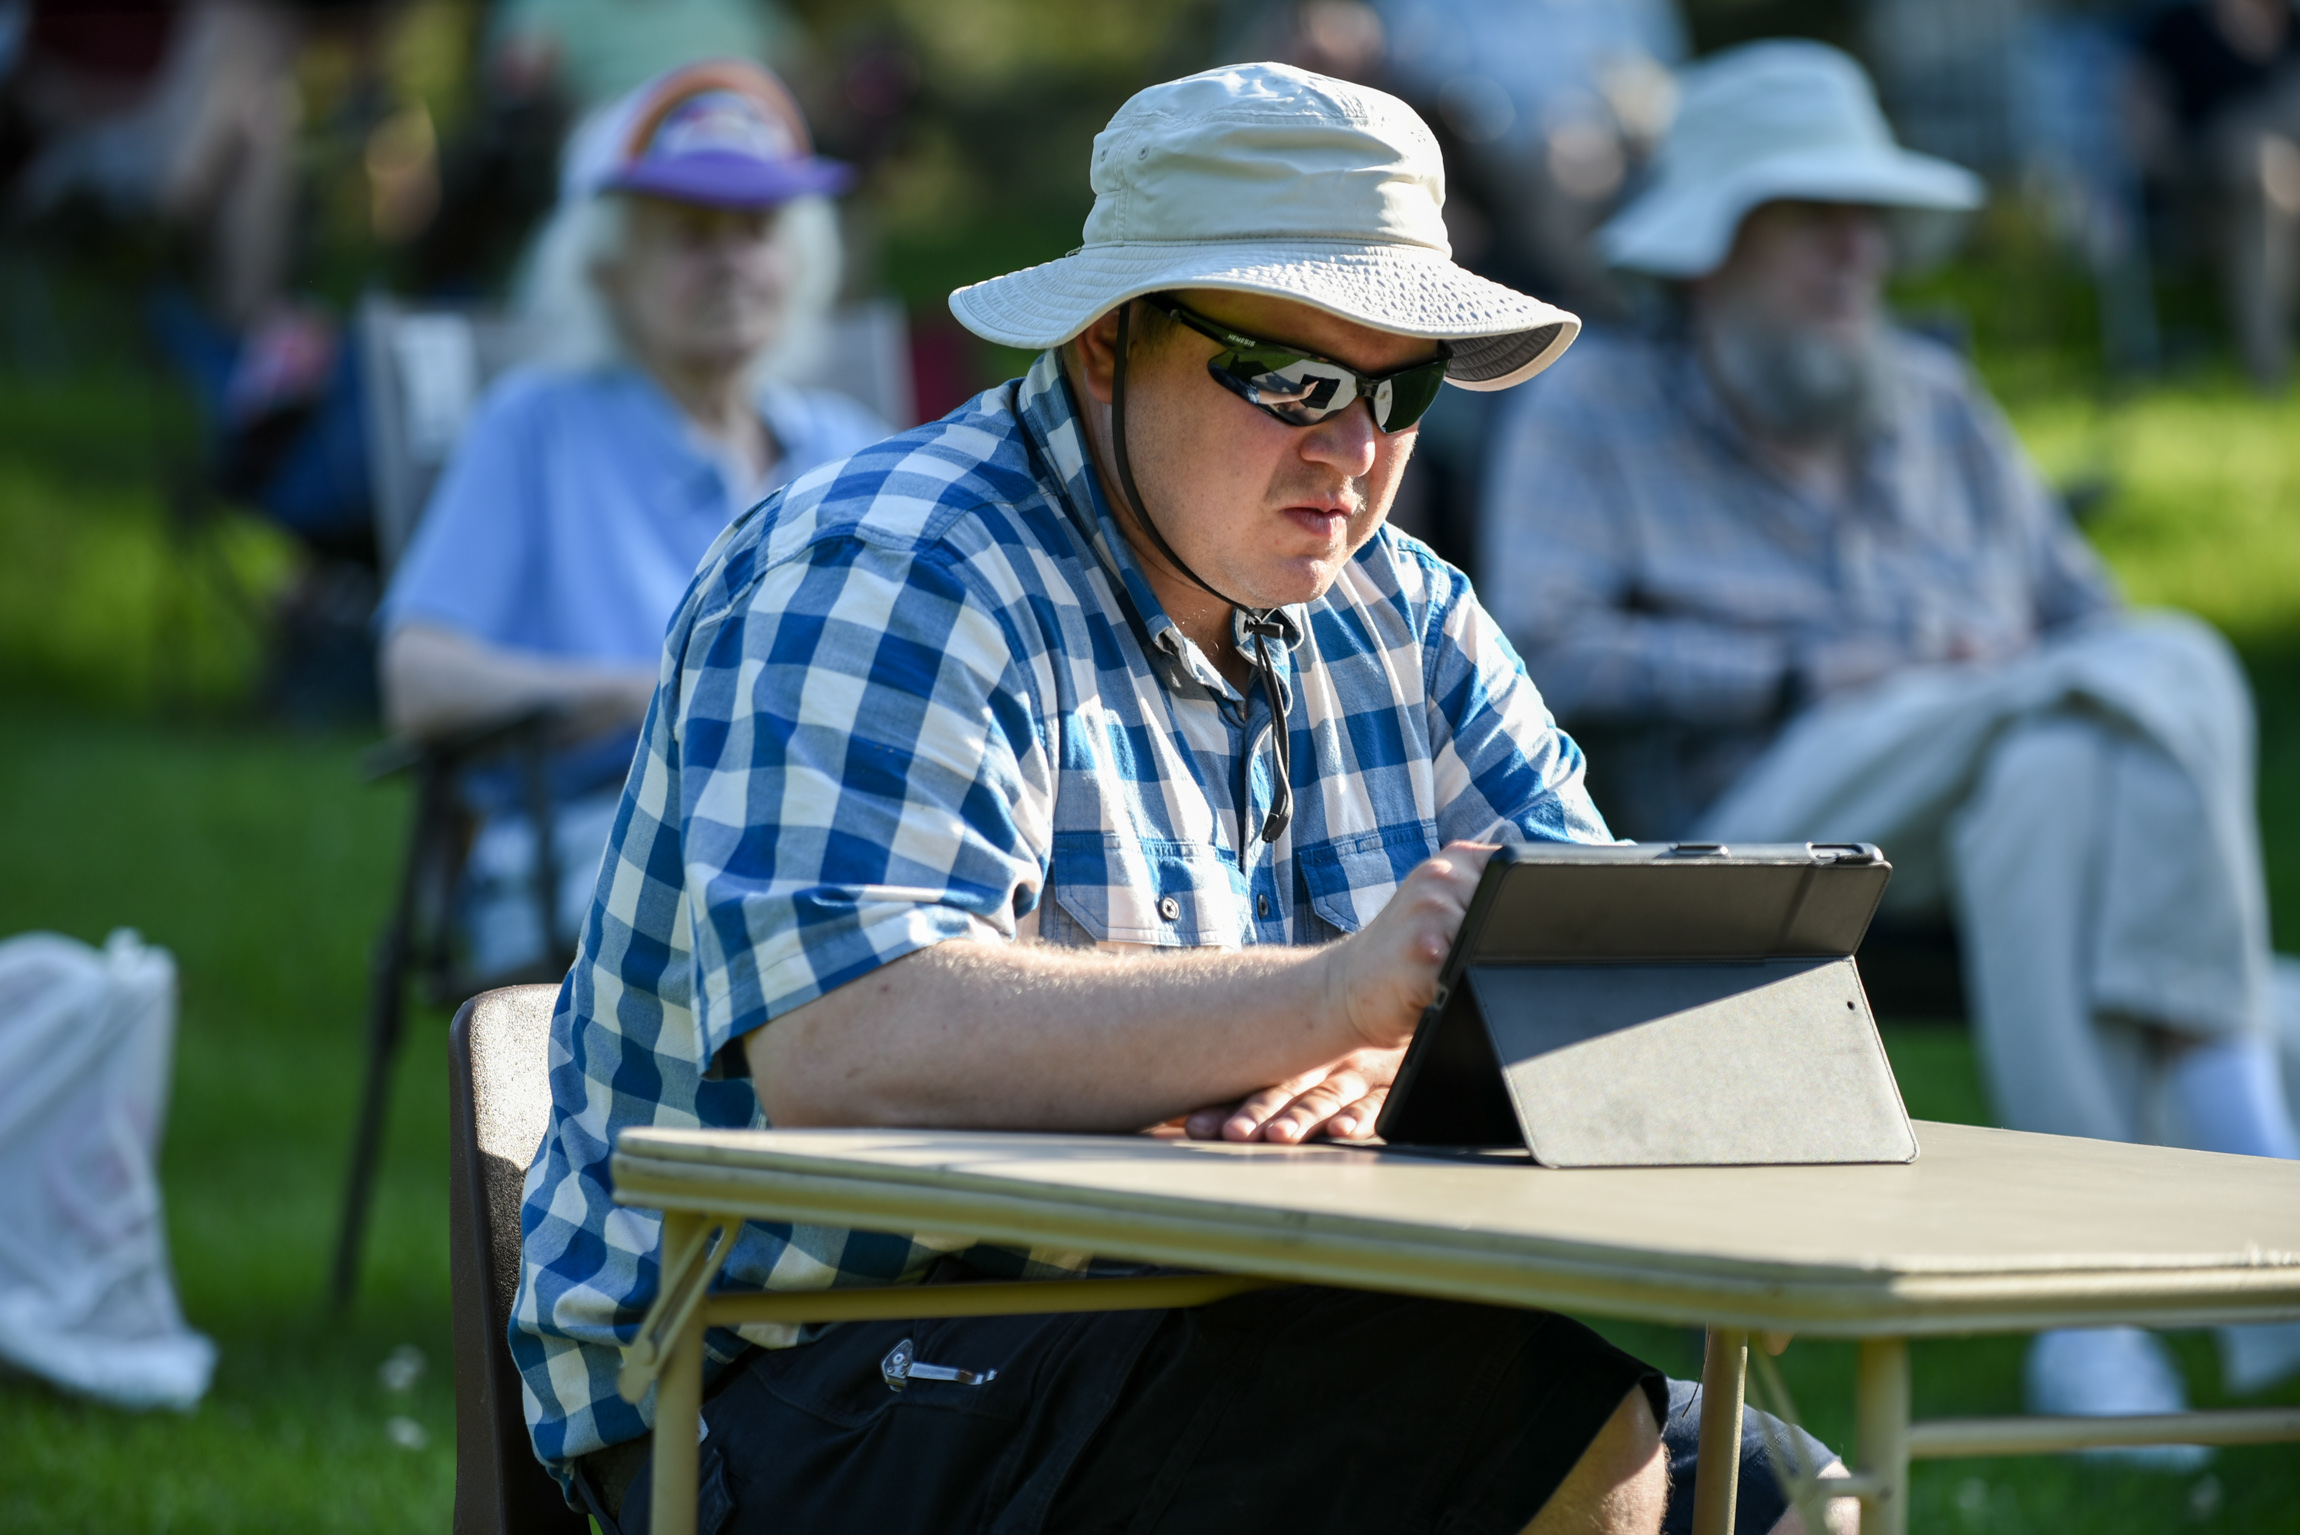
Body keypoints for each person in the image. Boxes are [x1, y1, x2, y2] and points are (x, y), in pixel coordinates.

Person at [511, 61, 1852, 1535]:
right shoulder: (890, 568)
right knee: (1550, 1433)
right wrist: (1333, 996)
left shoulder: (1404, 609)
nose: (1353, 451)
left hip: (1210, 1310)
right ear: (1108, 344)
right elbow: (850, 1042)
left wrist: (1407, 1065)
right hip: (784, 1381)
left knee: (1783, 1490)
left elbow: (1624, 992)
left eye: (1399, 388)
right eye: (1292, 381)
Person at [1481, 39, 2300, 1445]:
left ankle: (2084, 1323)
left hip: (1985, 809)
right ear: (1710, 247)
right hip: (1755, 825)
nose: (1859, 249)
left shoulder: (1931, 398)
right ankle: (2238, 1131)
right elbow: (1537, 650)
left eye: (1869, 216)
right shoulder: (1593, 407)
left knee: (2063, 757)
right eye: (1813, 215)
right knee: (2135, 674)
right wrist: (1806, 666)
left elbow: (2092, 630)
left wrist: (2002, 678)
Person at [376, 59, 887, 979]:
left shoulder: (846, 450)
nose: (730, 262)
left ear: (799, 259)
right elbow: (418, 679)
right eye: (691, 234)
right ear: (608, 266)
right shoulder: (538, 427)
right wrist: (639, 693)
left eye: (758, 229)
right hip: (605, 847)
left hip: (832, 833)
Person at [2135, 0, 2300, 389]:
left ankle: (2268, 370)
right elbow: (2146, 139)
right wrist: (2209, 155)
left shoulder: (2294, 29)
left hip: (2284, 193)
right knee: (2256, 163)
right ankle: (2266, 369)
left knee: (2270, 166)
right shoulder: (2176, 30)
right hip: (2202, 201)